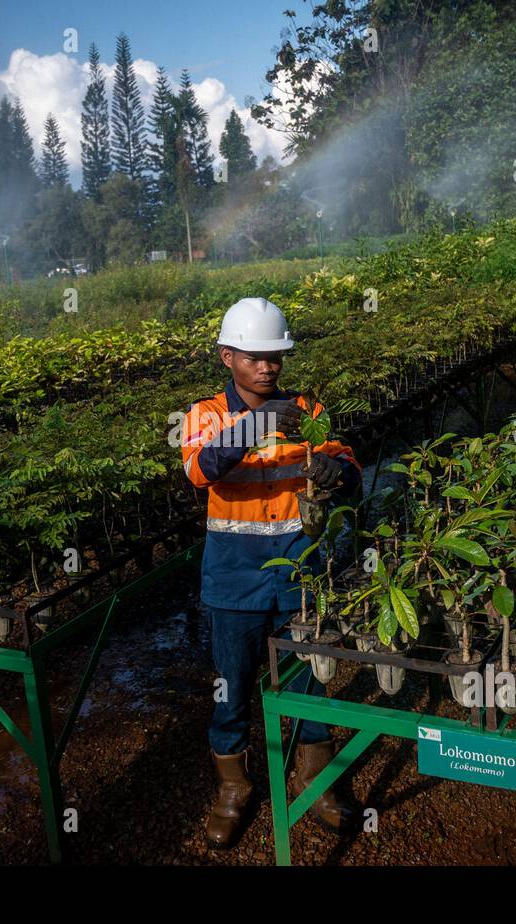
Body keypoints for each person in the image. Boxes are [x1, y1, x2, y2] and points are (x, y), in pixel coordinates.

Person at [181, 297, 361, 849]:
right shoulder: (206, 414)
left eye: (275, 356)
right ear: (226, 356)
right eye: (254, 357)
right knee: (230, 687)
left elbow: (351, 469)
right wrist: (258, 422)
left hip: (299, 575)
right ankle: (233, 789)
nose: (267, 367)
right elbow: (200, 469)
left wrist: (338, 470)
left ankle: (316, 777)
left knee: (309, 677)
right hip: (233, 581)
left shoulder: (308, 409)